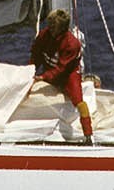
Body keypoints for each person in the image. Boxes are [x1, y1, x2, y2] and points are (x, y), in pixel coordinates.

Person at [32, 8, 93, 144]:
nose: (50, 30)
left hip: (68, 74)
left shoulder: (72, 44)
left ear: (62, 29)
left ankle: (88, 135)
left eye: (54, 27)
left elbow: (62, 68)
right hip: (50, 67)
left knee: (79, 101)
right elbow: (36, 54)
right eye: (50, 26)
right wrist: (30, 71)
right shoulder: (44, 36)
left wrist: (44, 77)